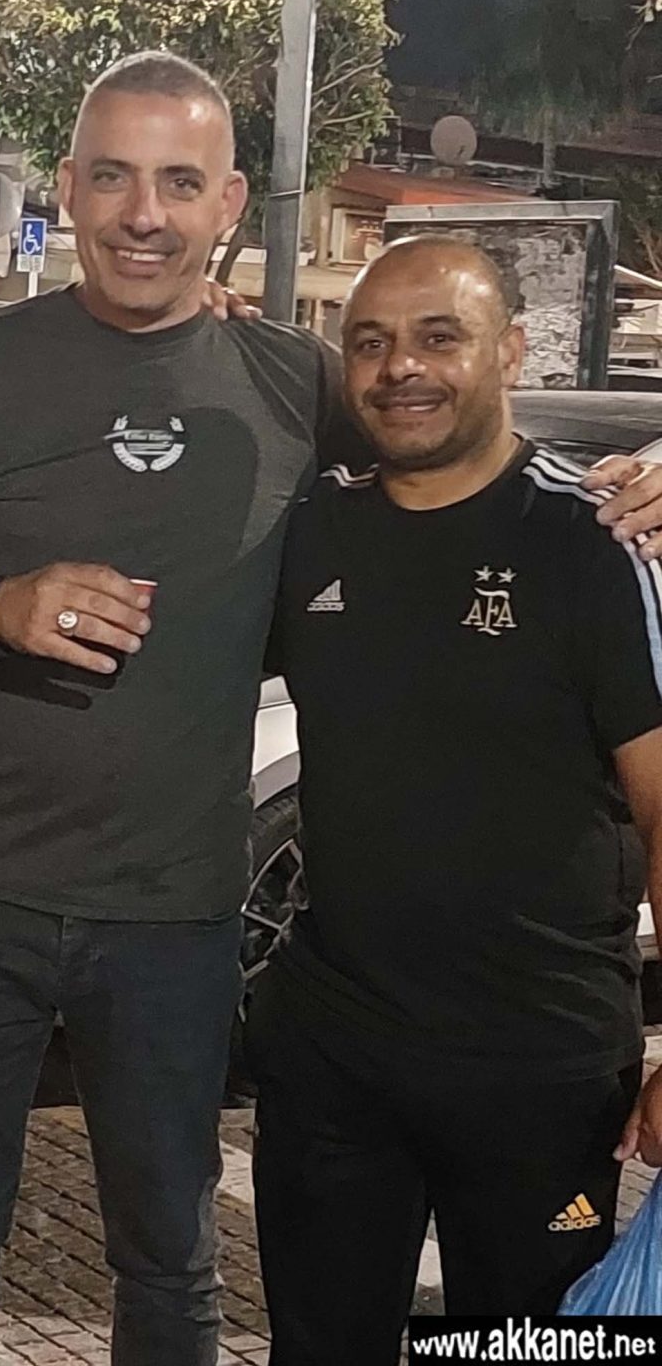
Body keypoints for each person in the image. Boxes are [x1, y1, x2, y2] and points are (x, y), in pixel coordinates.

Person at [0, 53, 662, 1366]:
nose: (144, 213)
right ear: (66, 188)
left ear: (230, 203)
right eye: (112, 177)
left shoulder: (302, 383)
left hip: (193, 925)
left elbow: (464, 441)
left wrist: (654, 472)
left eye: (180, 182)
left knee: (176, 1262)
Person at [246, 235, 662, 1365]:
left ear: (511, 352)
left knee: (521, 1350)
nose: (401, 368)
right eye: (371, 343)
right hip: (335, 1053)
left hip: (538, 1067)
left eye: (440, 337)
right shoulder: (315, 531)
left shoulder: (594, 541)